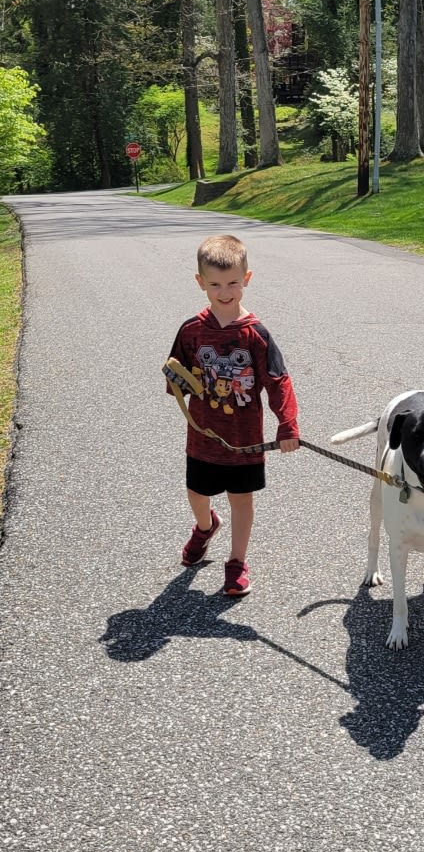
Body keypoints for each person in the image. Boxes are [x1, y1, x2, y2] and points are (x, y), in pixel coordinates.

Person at [166, 234, 300, 597]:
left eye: (232, 283)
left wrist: (287, 424)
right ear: (200, 283)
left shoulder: (256, 334)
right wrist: (181, 384)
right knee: (197, 492)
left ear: (247, 279)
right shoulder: (192, 330)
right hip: (204, 436)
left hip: (245, 439)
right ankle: (205, 526)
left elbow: (278, 381)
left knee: (241, 498)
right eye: (214, 284)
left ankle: (237, 562)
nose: (224, 292)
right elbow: (177, 372)